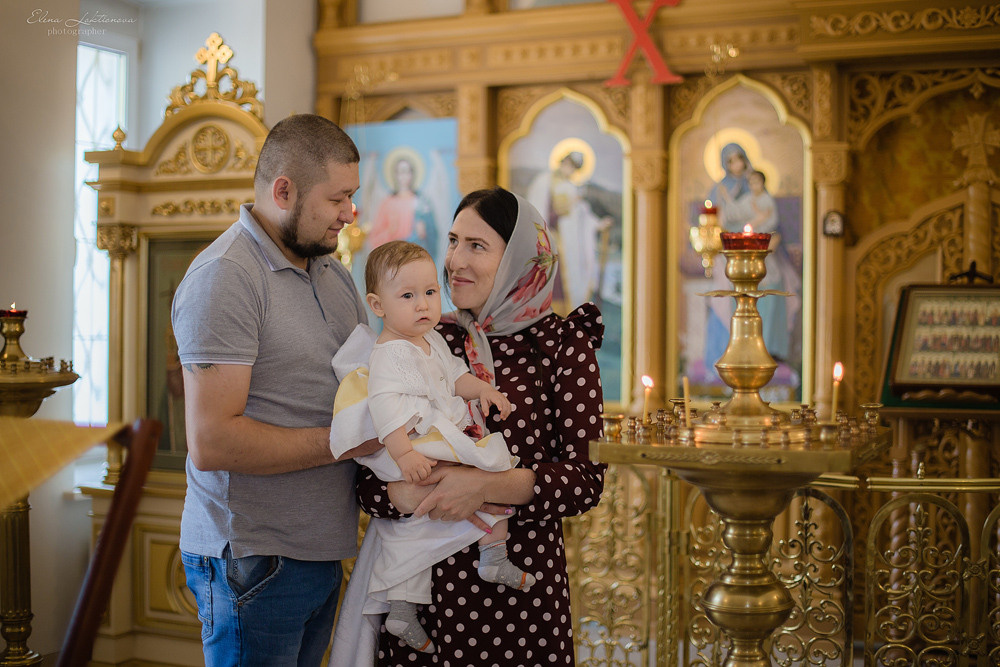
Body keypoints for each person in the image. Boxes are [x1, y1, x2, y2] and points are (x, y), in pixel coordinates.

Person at [352, 186, 607, 665]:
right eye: (452, 241)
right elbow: (367, 470)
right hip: (422, 598)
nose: (455, 261)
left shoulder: (563, 345)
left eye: (477, 246)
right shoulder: (426, 336)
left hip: (517, 598)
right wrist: (403, 494)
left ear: (518, 259)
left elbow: (585, 481)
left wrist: (483, 486)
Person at [171, 113, 382, 666]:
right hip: (253, 560)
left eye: (351, 196)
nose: (349, 213)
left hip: (321, 550)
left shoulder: (332, 275)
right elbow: (213, 441)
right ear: (284, 191)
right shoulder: (226, 276)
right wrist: (344, 441)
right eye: (337, 199)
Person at [329, 240, 538, 657]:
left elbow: (456, 376)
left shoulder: (433, 340)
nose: (423, 304)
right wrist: (405, 455)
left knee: (462, 497)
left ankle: (425, 595)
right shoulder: (390, 353)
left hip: (429, 439)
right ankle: (468, 568)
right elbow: (384, 406)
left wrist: (483, 391)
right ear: (378, 304)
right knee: (489, 469)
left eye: (429, 292)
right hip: (407, 445)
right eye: (407, 296)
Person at [527, 151, 612, 311]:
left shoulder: (571, 188)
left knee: (569, 281)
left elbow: (582, 216)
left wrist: (598, 224)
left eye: (574, 168)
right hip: (551, 241)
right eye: (569, 165)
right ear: (562, 163)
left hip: (568, 243)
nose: (570, 170)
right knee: (553, 279)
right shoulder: (545, 182)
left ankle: (565, 316)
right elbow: (538, 212)